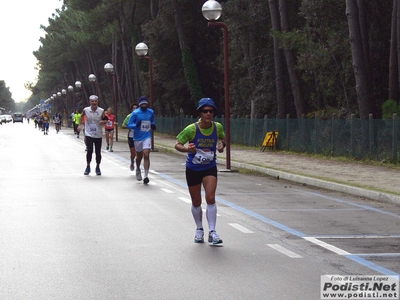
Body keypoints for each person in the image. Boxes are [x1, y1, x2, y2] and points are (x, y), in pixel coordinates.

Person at [175, 98, 226, 245]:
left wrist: (222, 146)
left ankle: (212, 231)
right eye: (205, 111)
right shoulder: (192, 129)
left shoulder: (217, 127)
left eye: (211, 111)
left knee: (210, 198)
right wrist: (187, 149)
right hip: (193, 168)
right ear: (200, 113)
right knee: (196, 201)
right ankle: (199, 229)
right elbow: (177, 144)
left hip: (209, 167)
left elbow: (223, 140)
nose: (208, 114)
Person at [127, 96, 156, 184]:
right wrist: (136, 125)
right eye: (142, 104)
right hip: (137, 137)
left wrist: (153, 125)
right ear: (140, 104)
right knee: (139, 157)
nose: (144, 105)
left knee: (146, 154)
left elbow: (152, 121)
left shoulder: (151, 112)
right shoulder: (135, 113)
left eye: (145, 103)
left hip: (147, 136)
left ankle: (146, 175)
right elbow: (129, 125)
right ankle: (138, 168)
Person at [78, 95, 108, 176]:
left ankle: (98, 166)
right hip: (89, 133)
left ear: (97, 102)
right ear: (90, 102)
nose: (94, 103)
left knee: (98, 152)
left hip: (98, 134)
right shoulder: (86, 110)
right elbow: (81, 116)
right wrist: (80, 125)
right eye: (92, 101)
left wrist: (103, 122)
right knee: (90, 150)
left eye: (95, 101)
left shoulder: (101, 110)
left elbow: (106, 119)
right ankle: (88, 166)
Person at [122, 102, 139, 171]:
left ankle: (138, 167)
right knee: (133, 153)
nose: (135, 109)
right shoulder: (129, 116)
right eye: (133, 108)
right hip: (131, 136)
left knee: (138, 153)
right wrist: (129, 126)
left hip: (139, 136)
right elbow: (123, 125)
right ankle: (132, 161)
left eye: (136, 108)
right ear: (131, 109)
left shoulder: (141, 116)